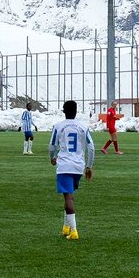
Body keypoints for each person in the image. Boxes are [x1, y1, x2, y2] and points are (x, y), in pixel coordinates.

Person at [50, 99, 95, 240]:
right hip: (78, 166)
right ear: (76, 112)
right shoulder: (83, 127)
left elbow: (52, 145)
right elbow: (91, 147)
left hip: (64, 165)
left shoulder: (58, 126)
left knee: (68, 197)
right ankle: (66, 227)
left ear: (64, 112)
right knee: (69, 195)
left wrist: (52, 157)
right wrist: (89, 166)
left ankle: (74, 231)